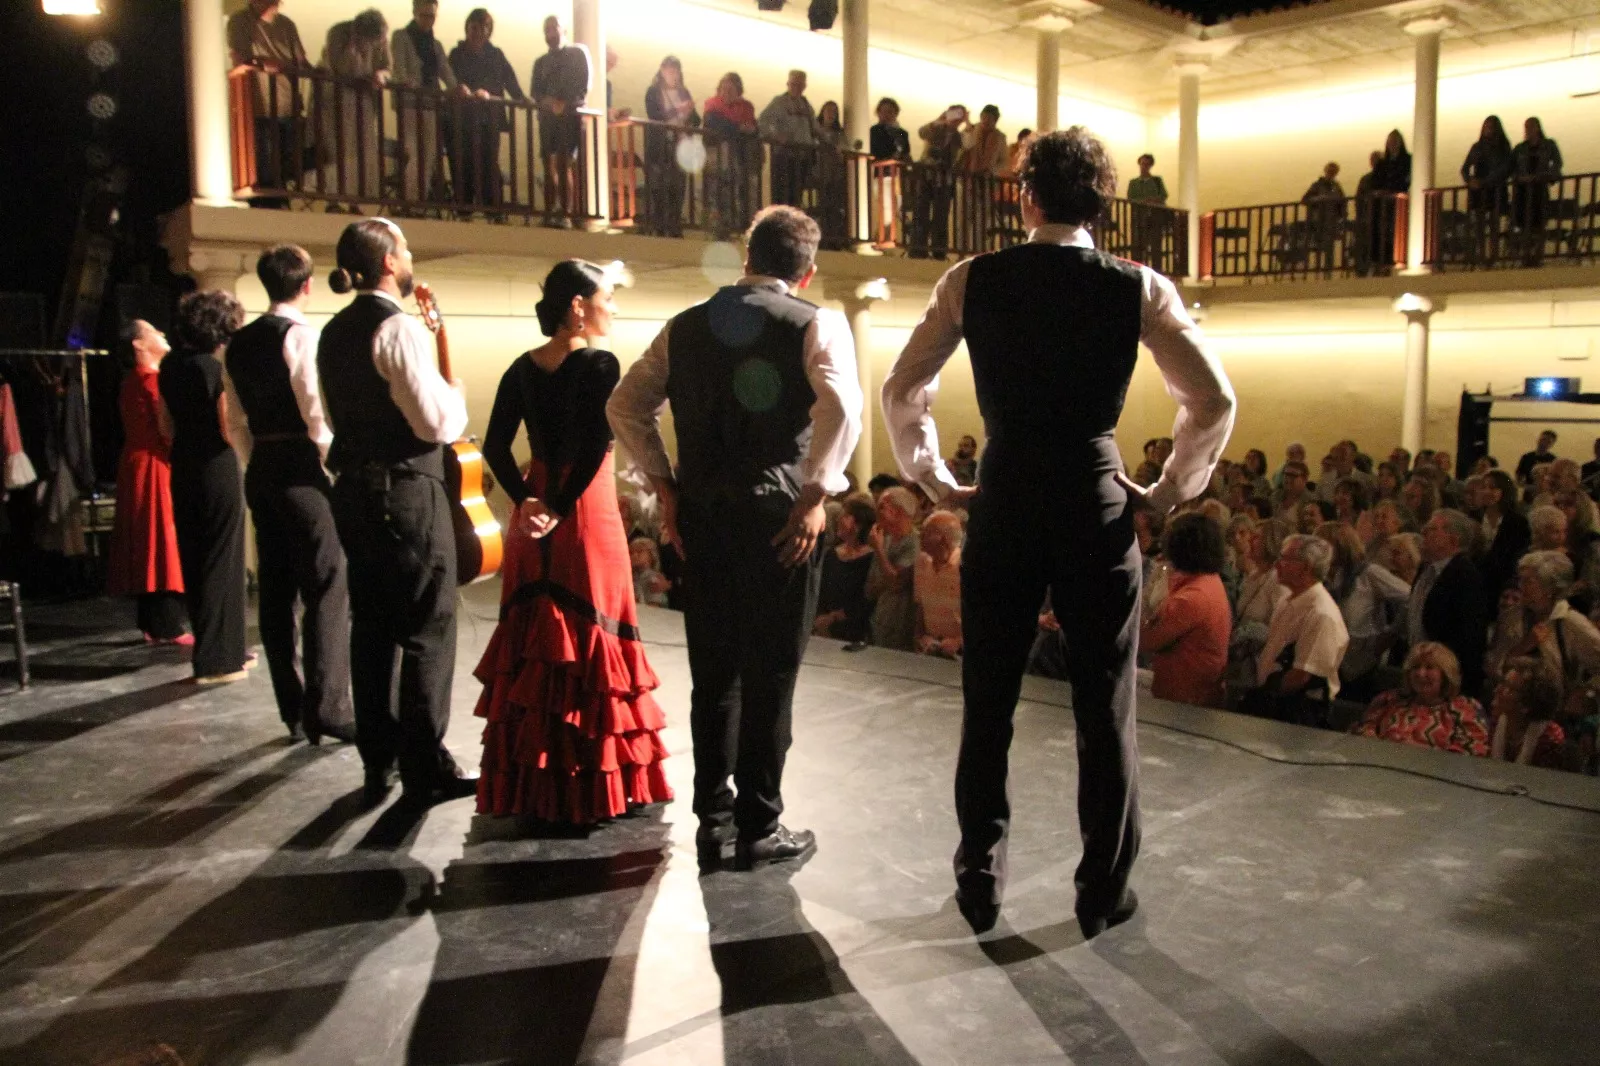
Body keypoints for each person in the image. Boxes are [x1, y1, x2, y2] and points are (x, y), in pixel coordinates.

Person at [881, 126, 1236, 937]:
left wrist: (937, 479)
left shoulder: (972, 279)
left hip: (1004, 496)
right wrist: (1168, 489)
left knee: (988, 699)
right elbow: (1213, 401)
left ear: (1025, 195)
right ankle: (1101, 891)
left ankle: (980, 878)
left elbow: (905, 387)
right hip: (1093, 498)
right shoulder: (1137, 286)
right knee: (1104, 706)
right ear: (1102, 201)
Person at [608, 205, 863, 871]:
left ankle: (711, 820)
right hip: (781, 518)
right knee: (771, 670)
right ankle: (759, 826)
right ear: (805, 272)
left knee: (713, 672)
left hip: (703, 517)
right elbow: (843, 406)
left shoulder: (684, 327)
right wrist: (816, 492)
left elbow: (624, 405)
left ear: (748, 258)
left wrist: (665, 488)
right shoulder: (816, 321)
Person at [473, 260, 671, 824]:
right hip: (583, 512)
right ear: (579, 305)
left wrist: (527, 502)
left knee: (535, 636)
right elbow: (594, 447)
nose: (614, 306)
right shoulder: (599, 363)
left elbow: (493, 443)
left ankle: (532, 785)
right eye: (607, 296)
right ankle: (595, 784)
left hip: (535, 510)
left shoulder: (520, 368)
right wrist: (559, 510)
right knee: (593, 631)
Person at [317, 218, 475, 809]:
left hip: (353, 491)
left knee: (374, 624)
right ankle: (424, 763)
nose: (410, 260)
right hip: (406, 490)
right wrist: (452, 387)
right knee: (428, 625)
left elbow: (334, 421)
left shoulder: (331, 332)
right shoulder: (398, 328)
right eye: (405, 251)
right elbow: (438, 424)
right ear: (388, 261)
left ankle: (377, 756)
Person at [223, 245, 354, 744]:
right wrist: (331, 467)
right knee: (327, 583)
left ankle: (294, 709)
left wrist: (254, 458)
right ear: (307, 285)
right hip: (303, 468)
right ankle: (330, 707)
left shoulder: (237, 344)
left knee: (277, 593)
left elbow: (235, 420)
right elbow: (315, 411)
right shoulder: (302, 336)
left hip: (263, 467)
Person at [160, 291, 250, 685]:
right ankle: (220, 660)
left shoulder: (169, 365)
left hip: (182, 464)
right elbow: (225, 425)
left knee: (195, 557)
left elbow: (166, 426)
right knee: (223, 557)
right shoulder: (214, 369)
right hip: (215, 465)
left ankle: (214, 651)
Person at [106, 321, 190, 646]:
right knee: (161, 540)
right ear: (139, 345)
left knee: (147, 541)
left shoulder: (131, 381)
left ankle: (152, 621)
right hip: (154, 464)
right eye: (155, 331)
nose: (164, 333)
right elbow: (166, 431)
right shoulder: (151, 381)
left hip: (136, 463)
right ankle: (167, 624)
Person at [1245, 534, 1350, 727]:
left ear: (1306, 566)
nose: (1277, 565)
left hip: (1298, 712)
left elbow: (1302, 676)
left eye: (1285, 559)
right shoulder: (1287, 600)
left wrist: (1266, 695)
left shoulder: (1321, 614)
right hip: (1274, 703)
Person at [1140, 513, 1230, 708]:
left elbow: (1146, 640)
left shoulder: (1191, 598)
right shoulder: (1210, 580)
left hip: (1183, 697)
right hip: (1191, 689)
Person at [227, 0, 310, 208]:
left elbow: (300, 60)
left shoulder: (286, 25)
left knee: (286, 161)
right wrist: (264, 63)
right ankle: (267, 205)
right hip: (259, 104)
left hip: (287, 103)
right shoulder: (239, 21)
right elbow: (241, 58)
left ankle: (281, 202)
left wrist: (316, 72)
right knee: (264, 162)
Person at [1487, 550, 1600, 701]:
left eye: (1528, 581)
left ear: (1550, 587)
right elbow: (1494, 667)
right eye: (1521, 580)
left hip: (1555, 713)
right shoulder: (1512, 617)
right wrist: (1524, 646)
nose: (1521, 587)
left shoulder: (1570, 621)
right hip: (1509, 704)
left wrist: (1587, 696)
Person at [448, 9, 526, 211]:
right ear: (467, 29)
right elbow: (450, 81)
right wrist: (463, 90)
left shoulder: (496, 55)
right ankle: (464, 207)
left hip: (489, 118)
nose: (479, 33)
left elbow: (510, 81)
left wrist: (522, 99)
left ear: (489, 31)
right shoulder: (457, 55)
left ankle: (493, 208)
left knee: (489, 160)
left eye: (484, 28)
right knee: (464, 161)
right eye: (474, 28)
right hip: (462, 119)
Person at [1408, 509, 1490, 699]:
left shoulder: (1465, 576)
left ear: (1453, 539)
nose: (1424, 533)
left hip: (1445, 679)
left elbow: (1469, 636)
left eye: (1432, 530)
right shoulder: (1426, 569)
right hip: (1421, 670)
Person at [1353, 642, 1489, 756]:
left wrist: (1417, 753)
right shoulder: (1389, 700)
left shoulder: (1464, 709)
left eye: (1429, 668)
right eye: (1415, 667)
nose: (1420, 673)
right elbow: (1361, 729)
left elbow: (1471, 753)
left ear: (1446, 675)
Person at [317, 9, 390, 210]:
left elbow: (386, 66)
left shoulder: (380, 39)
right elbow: (337, 67)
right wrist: (353, 48)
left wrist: (380, 76)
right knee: (337, 148)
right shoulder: (338, 33)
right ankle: (333, 200)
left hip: (364, 99)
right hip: (336, 97)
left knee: (362, 150)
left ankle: (354, 201)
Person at [391, 0, 462, 205]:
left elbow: (446, 72)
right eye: (424, 15)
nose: (428, 21)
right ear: (414, 12)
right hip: (410, 104)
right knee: (414, 152)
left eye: (432, 16)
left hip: (431, 105)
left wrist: (456, 88)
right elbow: (400, 69)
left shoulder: (434, 44)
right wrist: (412, 84)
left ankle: (419, 200)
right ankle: (410, 200)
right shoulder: (401, 37)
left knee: (429, 154)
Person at [532, 15, 592, 226]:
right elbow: (536, 92)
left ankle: (565, 213)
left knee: (564, 162)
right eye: (546, 29)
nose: (550, 33)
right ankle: (550, 212)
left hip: (569, 117)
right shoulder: (540, 63)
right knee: (548, 163)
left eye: (554, 28)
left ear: (563, 29)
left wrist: (566, 104)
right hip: (548, 119)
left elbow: (583, 85)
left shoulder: (578, 53)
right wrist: (549, 103)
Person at [642, 56, 699, 238]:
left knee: (678, 186)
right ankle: (659, 225)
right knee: (659, 186)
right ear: (662, 71)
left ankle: (675, 224)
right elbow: (655, 115)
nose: (673, 74)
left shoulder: (684, 92)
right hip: (660, 146)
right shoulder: (653, 92)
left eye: (676, 71)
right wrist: (677, 110)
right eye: (669, 70)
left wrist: (689, 112)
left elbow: (697, 120)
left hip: (680, 145)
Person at [702, 73, 761, 240]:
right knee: (719, 193)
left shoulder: (746, 107)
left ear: (739, 91)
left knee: (742, 193)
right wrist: (739, 128)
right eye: (724, 89)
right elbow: (714, 124)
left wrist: (742, 129)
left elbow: (754, 129)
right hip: (719, 159)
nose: (727, 93)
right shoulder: (712, 105)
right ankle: (720, 229)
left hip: (741, 159)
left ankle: (742, 227)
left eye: (731, 89)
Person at [814, 493, 877, 642]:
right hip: (826, 629)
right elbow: (822, 590)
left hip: (856, 630)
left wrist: (835, 617)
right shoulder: (833, 553)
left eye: (845, 515)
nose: (839, 519)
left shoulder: (870, 557)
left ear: (859, 523)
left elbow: (868, 598)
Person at [1487, 656, 1567, 769]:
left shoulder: (1550, 741)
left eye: (1509, 688)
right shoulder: (1495, 724)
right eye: (1502, 683)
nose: (1497, 690)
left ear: (1527, 704)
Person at [909, 104, 967, 259]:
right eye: (953, 113)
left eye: (959, 115)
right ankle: (918, 248)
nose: (955, 118)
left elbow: (969, 144)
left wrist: (967, 123)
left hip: (944, 178)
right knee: (921, 211)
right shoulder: (936, 129)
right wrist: (938, 121)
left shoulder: (959, 136)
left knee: (941, 215)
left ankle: (939, 250)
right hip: (927, 175)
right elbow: (922, 132)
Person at [866, 486, 920, 650]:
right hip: (880, 617)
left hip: (901, 622)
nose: (877, 511)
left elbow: (896, 582)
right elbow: (871, 587)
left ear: (899, 511)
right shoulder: (886, 540)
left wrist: (879, 550)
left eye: (882, 506)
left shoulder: (913, 543)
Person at [759, 70, 817, 209]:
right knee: (783, 195)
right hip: (784, 157)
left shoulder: (806, 106)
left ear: (804, 86)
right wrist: (776, 135)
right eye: (794, 84)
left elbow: (816, 128)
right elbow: (762, 121)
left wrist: (831, 144)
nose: (797, 87)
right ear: (788, 84)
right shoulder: (779, 102)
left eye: (800, 84)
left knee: (796, 195)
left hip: (803, 158)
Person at [1461, 115, 1513, 260]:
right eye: (1486, 126)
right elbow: (1465, 169)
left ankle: (1493, 255)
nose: (1487, 129)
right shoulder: (1477, 147)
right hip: (1478, 191)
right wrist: (1470, 180)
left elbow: (1506, 168)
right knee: (1479, 224)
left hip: (1495, 189)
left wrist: (1488, 180)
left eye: (1490, 127)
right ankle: (1482, 254)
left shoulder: (1503, 146)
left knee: (1494, 223)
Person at [1511, 117, 1562, 261]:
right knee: (1523, 223)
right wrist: (1519, 178)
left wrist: (1545, 175)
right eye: (1526, 127)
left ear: (1538, 128)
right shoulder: (1520, 149)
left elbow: (1557, 163)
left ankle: (1538, 255)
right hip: (1523, 191)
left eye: (1531, 127)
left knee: (1540, 222)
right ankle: (1526, 254)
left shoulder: (1549, 145)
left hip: (1539, 189)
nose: (1528, 130)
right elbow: (1511, 167)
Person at [1478, 468, 1530, 611]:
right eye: (1484, 487)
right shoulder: (1474, 518)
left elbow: (1516, 556)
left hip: (1502, 584)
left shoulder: (1517, 522)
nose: (1487, 491)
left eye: (1493, 488)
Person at [914, 511, 964, 658]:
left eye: (926, 532)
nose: (920, 535)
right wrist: (919, 636)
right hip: (930, 648)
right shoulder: (922, 562)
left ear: (942, 539)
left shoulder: (968, 568)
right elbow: (919, 606)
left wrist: (958, 642)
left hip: (959, 653)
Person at [869, 96, 911, 162]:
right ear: (878, 113)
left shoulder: (902, 133)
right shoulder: (873, 131)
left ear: (896, 114)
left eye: (890, 112)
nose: (887, 115)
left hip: (899, 167)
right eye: (884, 111)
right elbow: (874, 152)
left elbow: (906, 153)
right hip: (880, 166)